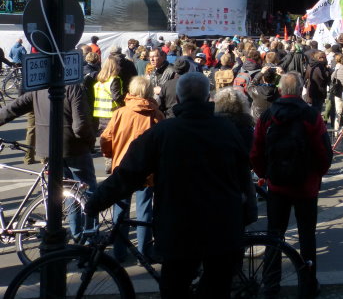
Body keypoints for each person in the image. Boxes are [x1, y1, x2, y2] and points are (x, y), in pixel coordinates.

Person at [86, 72, 253, 298]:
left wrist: (96, 202)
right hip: (222, 225)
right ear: (207, 98)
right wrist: (248, 211)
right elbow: (244, 177)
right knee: (216, 286)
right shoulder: (226, 130)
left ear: (179, 99)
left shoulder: (163, 132)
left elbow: (128, 174)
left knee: (175, 286)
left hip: (179, 226)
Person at [250, 71, 332, 296]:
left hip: (277, 185)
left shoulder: (267, 115)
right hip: (306, 185)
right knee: (307, 236)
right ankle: (307, 284)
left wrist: (264, 174)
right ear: (299, 90)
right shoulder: (311, 115)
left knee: (274, 236)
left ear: (280, 90)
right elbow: (324, 152)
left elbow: (256, 151)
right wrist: (317, 174)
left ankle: (270, 285)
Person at [0, 83, 96, 238]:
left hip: (49, 148)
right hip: (74, 148)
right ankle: (89, 235)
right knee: (87, 191)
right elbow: (80, 126)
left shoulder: (39, 88)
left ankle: (77, 232)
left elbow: (12, 109)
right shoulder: (73, 87)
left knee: (70, 190)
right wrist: (90, 142)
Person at [100, 76, 164, 262]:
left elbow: (106, 138)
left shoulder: (120, 113)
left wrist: (110, 154)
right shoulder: (155, 114)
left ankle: (119, 252)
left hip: (123, 166)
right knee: (145, 210)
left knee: (120, 210)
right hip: (147, 169)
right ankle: (144, 251)